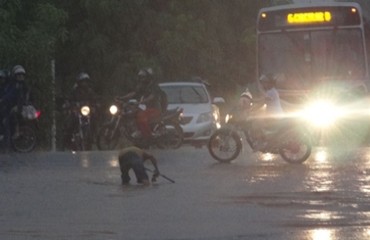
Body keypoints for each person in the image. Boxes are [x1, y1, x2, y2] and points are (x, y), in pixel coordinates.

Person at [117, 68, 165, 138]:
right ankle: (138, 132)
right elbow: (134, 93)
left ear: (149, 77)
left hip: (155, 109)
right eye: (140, 77)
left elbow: (151, 97)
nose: (142, 79)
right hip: (147, 108)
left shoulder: (154, 86)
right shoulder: (143, 86)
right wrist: (122, 98)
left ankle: (148, 136)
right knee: (133, 113)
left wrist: (140, 102)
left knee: (141, 117)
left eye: (143, 77)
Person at [63, 72, 98, 149]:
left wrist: (94, 106)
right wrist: (69, 105)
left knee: (94, 119)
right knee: (71, 122)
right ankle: (67, 140)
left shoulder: (90, 91)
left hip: (86, 112)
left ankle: (94, 136)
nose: (84, 83)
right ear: (79, 82)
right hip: (77, 111)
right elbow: (69, 100)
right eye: (82, 81)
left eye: (85, 81)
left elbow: (94, 100)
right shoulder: (74, 91)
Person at [0, 65, 31, 150]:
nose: (20, 77)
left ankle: (7, 144)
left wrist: (3, 100)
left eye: (21, 75)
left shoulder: (21, 86)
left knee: (6, 121)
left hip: (19, 106)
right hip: (10, 105)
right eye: (18, 75)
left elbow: (13, 96)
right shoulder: (13, 84)